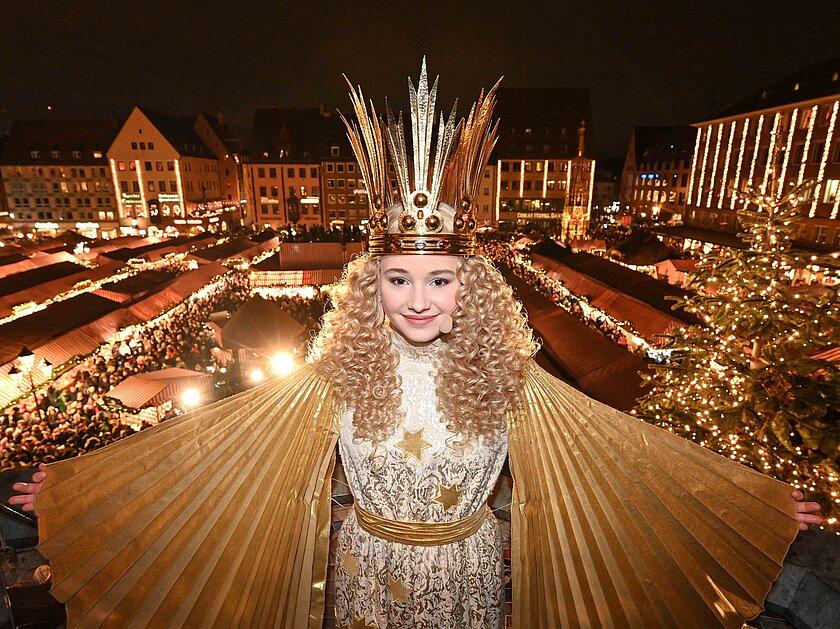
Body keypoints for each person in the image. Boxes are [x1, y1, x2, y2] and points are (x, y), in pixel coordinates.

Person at [9, 62, 822, 629]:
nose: (420, 299)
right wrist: (77, 486)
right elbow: (213, 448)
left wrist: (749, 500)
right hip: (364, 574)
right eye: (400, 278)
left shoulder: (512, 377)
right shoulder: (334, 374)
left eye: (440, 279)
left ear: (470, 285)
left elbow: (624, 455)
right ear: (371, 282)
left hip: (468, 578)